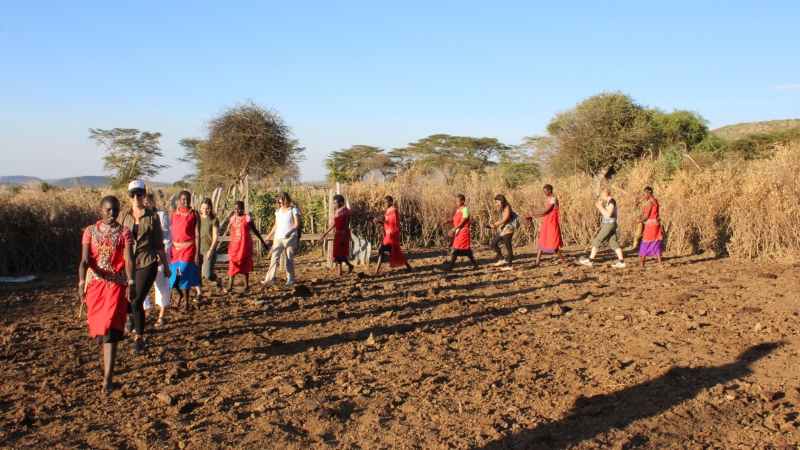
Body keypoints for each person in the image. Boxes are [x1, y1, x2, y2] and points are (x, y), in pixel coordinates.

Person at [78, 196, 135, 393]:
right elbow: (85, 260)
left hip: (116, 288)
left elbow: (128, 260)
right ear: (101, 210)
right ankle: (107, 375)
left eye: (116, 210)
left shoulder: (125, 232)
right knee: (100, 329)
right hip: (96, 288)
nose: (112, 213)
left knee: (111, 330)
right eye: (108, 210)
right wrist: (82, 282)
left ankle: (107, 380)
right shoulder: (90, 232)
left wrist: (131, 282)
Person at [117, 180, 171, 353]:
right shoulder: (123, 217)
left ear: (144, 194)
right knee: (125, 300)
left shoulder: (152, 217)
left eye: (139, 194)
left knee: (137, 299)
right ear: (129, 197)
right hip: (127, 263)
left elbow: (158, 245)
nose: (136, 197)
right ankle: (131, 317)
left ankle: (139, 339)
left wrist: (167, 265)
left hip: (147, 261)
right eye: (132, 194)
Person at [143, 192, 172, 327]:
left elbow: (167, 238)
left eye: (148, 203)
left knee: (162, 283)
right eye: (144, 204)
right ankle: (142, 312)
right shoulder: (138, 216)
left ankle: (162, 315)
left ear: (153, 202)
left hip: (160, 254)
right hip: (144, 256)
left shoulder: (161, 215)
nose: (146, 206)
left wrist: (162, 256)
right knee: (141, 285)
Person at [169, 190, 201, 310]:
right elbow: (168, 231)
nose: (186, 201)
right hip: (175, 248)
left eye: (188, 199)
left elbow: (197, 233)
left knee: (184, 272)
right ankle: (180, 295)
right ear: (179, 200)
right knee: (174, 276)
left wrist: (197, 252)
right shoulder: (173, 213)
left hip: (189, 248)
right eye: (183, 199)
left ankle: (186, 303)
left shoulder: (194, 214)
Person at [579, 188, 626, 268]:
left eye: (602, 196)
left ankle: (590, 260)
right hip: (610, 223)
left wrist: (601, 207)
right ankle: (622, 262)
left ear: (606, 195)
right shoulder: (609, 202)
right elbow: (605, 214)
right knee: (613, 243)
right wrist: (599, 207)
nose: (602, 198)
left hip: (609, 224)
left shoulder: (611, 202)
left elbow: (609, 214)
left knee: (597, 240)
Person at [262, 192, 301, 286]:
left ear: (286, 200)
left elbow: (296, 224)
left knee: (289, 257)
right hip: (278, 237)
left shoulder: (293, 210)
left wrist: (291, 232)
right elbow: (276, 225)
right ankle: (269, 279)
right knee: (274, 256)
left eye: (282, 202)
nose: (281, 204)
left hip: (290, 237)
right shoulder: (278, 211)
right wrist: (269, 236)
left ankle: (290, 279)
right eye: (279, 203)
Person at [227, 201, 268, 292]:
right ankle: (230, 286)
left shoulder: (247, 219)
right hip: (235, 246)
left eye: (239, 208)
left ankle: (246, 285)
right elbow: (231, 230)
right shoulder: (233, 219)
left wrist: (262, 241)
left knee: (245, 264)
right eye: (235, 209)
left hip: (244, 246)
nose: (237, 210)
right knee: (232, 264)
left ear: (243, 209)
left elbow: (255, 231)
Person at [527, 184, 569, 268]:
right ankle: (537, 262)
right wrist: (533, 216)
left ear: (549, 191)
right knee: (541, 241)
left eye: (545, 191)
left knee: (553, 242)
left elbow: (545, 212)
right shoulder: (550, 199)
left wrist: (531, 214)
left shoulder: (554, 199)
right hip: (547, 223)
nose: (544, 193)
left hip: (551, 224)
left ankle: (564, 261)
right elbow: (545, 214)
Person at [372, 195, 413, 275]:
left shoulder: (394, 211)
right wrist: (376, 220)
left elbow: (391, 223)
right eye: (384, 203)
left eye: (386, 203)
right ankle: (408, 267)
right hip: (388, 234)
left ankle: (376, 271)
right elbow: (384, 221)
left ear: (391, 202)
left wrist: (380, 220)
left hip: (392, 234)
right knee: (395, 251)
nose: (385, 204)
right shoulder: (387, 211)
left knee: (382, 250)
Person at [319, 194, 355, 276]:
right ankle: (340, 271)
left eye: (336, 203)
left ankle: (349, 265)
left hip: (344, 234)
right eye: (334, 203)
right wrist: (324, 233)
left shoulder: (347, 212)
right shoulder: (336, 212)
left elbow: (346, 226)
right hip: (337, 233)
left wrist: (343, 238)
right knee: (336, 252)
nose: (334, 205)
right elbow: (333, 224)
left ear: (341, 202)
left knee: (340, 252)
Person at [441, 194, 478, 271]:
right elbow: (454, 219)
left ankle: (450, 267)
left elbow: (462, 222)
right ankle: (475, 264)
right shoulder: (458, 210)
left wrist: (453, 229)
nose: (456, 203)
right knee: (464, 249)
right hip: (459, 231)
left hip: (463, 231)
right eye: (456, 201)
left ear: (462, 201)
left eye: (458, 201)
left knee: (457, 249)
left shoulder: (465, 209)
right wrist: (447, 221)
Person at [196, 198, 223, 300]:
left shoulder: (214, 220)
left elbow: (215, 237)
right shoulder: (197, 218)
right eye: (203, 208)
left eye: (207, 208)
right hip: (198, 249)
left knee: (207, 274)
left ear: (211, 208)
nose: (205, 210)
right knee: (196, 273)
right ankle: (200, 294)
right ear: (200, 208)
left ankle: (218, 281)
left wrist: (211, 250)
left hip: (208, 249)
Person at [632, 186, 664, 268]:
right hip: (656, 224)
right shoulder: (655, 200)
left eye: (644, 194)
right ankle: (660, 263)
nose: (644, 196)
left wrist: (637, 222)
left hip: (651, 225)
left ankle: (642, 263)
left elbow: (646, 216)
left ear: (648, 193)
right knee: (656, 243)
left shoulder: (650, 202)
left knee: (645, 243)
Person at [488, 194, 517, 271]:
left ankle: (509, 265)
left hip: (508, 230)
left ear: (502, 201)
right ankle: (501, 259)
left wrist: (495, 224)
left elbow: (505, 219)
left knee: (508, 248)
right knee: (493, 243)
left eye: (498, 202)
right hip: (502, 230)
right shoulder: (503, 208)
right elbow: (501, 220)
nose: (497, 204)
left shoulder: (507, 207)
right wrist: (493, 224)